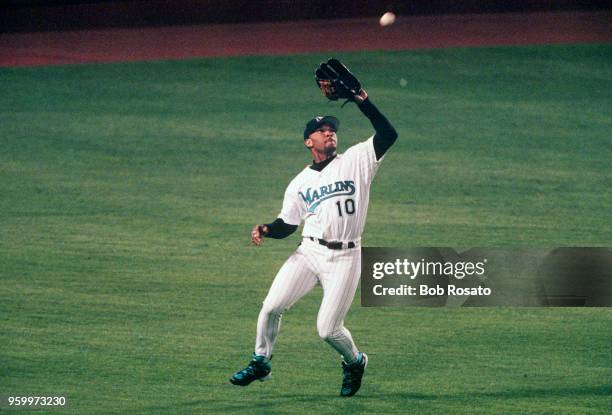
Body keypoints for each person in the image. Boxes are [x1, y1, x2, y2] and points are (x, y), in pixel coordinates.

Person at [229, 84, 397, 397]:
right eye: (321, 130)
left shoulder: (357, 160)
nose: (329, 132)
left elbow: (388, 133)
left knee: (327, 329)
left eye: (331, 129)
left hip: (346, 257)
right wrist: (266, 229)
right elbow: (287, 224)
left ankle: (355, 361)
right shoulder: (300, 182)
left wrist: (362, 98)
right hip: (309, 252)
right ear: (309, 142)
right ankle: (261, 360)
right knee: (270, 307)